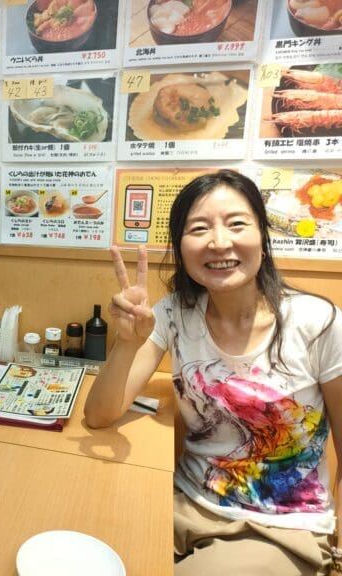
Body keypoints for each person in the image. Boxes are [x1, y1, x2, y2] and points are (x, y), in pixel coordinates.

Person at [83, 170, 342, 575]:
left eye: (237, 223)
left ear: (262, 234)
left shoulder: (317, 321)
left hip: (276, 526)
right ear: (181, 246)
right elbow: (99, 417)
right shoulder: (173, 313)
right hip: (183, 503)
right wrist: (128, 341)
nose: (219, 242)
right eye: (199, 228)